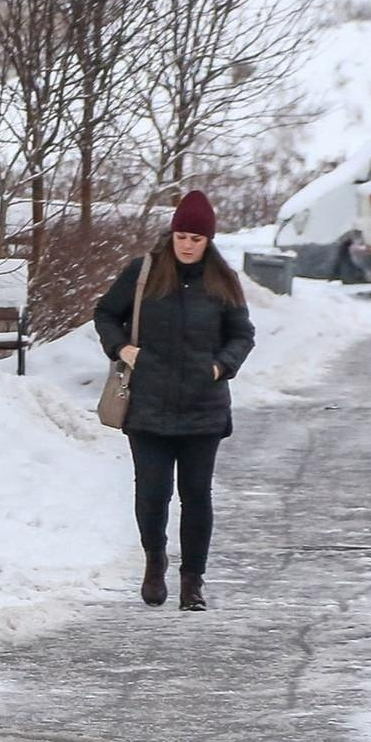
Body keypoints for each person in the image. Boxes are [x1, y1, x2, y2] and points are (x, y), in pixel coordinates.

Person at [93, 190, 255, 612]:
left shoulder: (222, 281)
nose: (187, 244)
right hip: (148, 406)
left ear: (208, 240)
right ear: (172, 233)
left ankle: (192, 581)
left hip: (204, 408)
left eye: (196, 238)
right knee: (152, 492)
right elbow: (106, 313)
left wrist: (221, 367)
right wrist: (121, 349)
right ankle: (154, 562)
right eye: (182, 235)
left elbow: (242, 334)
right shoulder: (143, 273)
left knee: (196, 494)